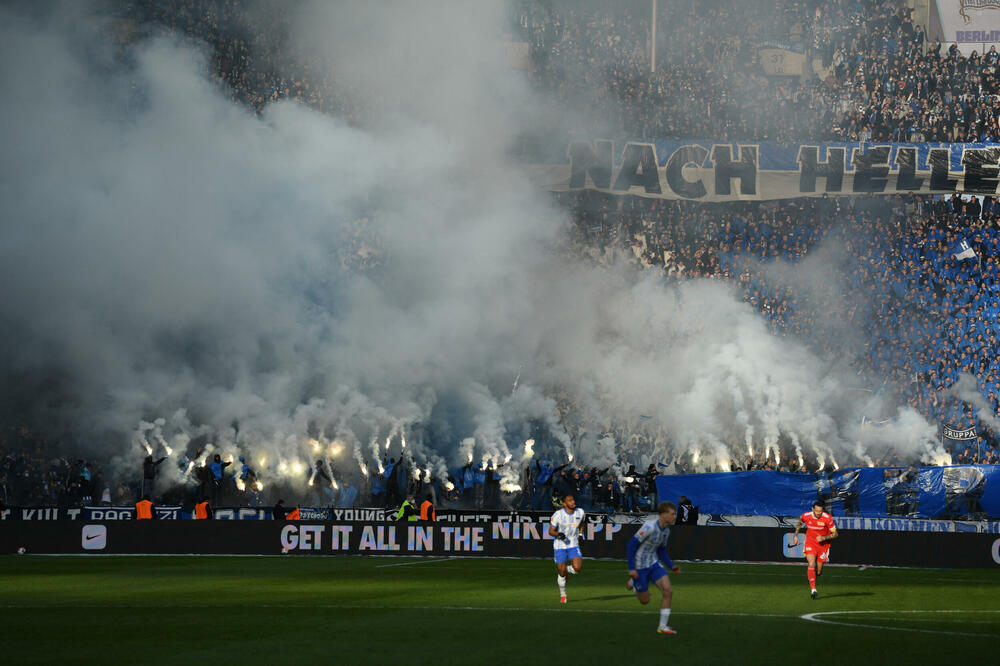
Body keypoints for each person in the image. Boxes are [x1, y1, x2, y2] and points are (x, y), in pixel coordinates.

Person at [626, 501, 681, 635]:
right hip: (639, 567)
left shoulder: (666, 531)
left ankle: (662, 627)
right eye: (672, 514)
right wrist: (632, 568)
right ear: (663, 514)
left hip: (654, 564)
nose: (675, 516)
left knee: (668, 591)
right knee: (645, 601)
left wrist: (671, 566)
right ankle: (633, 582)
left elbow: (661, 551)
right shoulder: (649, 526)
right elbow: (631, 546)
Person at [791, 500, 838, 599]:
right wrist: (795, 536)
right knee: (811, 563)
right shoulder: (806, 516)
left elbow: (835, 534)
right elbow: (799, 523)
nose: (818, 513)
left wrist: (824, 538)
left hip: (823, 545)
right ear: (813, 509)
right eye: (816, 511)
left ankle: (814, 575)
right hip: (810, 542)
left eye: (820, 511)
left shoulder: (827, 518)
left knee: (819, 571)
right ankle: (813, 589)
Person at [548, 493, 585, 604]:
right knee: (561, 572)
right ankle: (563, 595)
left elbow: (582, 523)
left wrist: (580, 534)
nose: (573, 502)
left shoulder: (580, 512)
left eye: (573, 499)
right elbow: (551, 531)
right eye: (569, 500)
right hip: (560, 545)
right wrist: (558, 534)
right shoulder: (558, 515)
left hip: (573, 544)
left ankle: (565, 570)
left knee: (577, 568)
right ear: (564, 504)